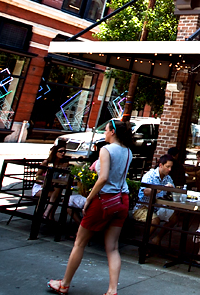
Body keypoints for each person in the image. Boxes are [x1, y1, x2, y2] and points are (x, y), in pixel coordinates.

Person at [47, 119, 133, 295]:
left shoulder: (106, 149)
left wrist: (89, 199)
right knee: (113, 247)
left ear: (113, 132)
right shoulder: (128, 152)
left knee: (79, 243)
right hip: (122, 200)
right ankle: (112, 290)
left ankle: (64, 284)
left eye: (106, 129)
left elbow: (103, 178)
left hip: (104, 200)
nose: (104, 132)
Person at [135, 154, 179, 246]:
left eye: (171, 167)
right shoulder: (150, 175)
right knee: (155, 221)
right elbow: (146, 191)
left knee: (174, 218)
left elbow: (173, 191)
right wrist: (162, 188)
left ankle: (157, 238)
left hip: (157, 207)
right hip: (143, 206)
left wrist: (172, 190)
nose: (170, 169)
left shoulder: (168, 178)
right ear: (160, 165)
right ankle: (143, 244)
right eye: (167, 167)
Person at [36, 141, 71, 220]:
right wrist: (44, 182)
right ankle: (48, 215)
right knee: (58, 194)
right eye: (60, 151)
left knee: (58, 190)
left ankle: (48, 215)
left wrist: (64, 168)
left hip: (53, 187)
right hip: (41, 187)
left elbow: (63, 177)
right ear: (55, 152)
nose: (63, 153)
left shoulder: (63, 164)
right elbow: (37, 176)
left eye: (64, 151)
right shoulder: (47, 162)